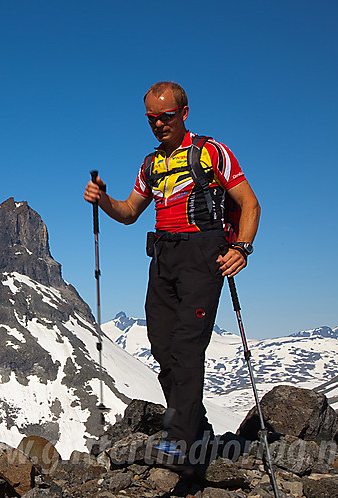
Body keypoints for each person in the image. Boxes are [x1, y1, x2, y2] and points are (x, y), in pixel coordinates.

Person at [84, 81, 260, 469]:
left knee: (186, 346)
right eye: (151, 118)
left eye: (166, 116)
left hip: (203, 255)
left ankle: (183, 443)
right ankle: (195, 429)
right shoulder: (150, 164)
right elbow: (130, 212)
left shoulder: (210, 152)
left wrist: (241, 249)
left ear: (184, 112)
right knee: (162, 346)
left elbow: (249, 203)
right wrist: (104, 199)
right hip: (163, 257)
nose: (159, 124)